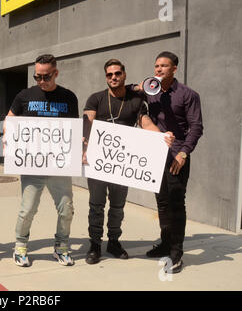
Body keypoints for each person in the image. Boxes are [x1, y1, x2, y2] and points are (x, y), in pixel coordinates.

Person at [82, 59, 174, 265]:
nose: (113, 77)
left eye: (117, 74)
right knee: (96, 205)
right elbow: (87, 123)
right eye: (109, 75)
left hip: (122, 164)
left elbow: (146, 123)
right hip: (98, 161)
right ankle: (95, 245)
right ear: (106, 77)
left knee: (117, 206)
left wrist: (162, 137)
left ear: (124, 75)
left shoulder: (135, 102)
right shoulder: (96, 98)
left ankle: (114, 242)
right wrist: (84, 149)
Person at [7, 54, 79, 267]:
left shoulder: (68, 97)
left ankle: (62, 247)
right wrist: (7, 132)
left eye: (46, 77)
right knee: (27, 209)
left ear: (56, 73)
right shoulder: (24, 95)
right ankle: (20, 246)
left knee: (66, 209)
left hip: (59, 164)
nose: (41, 81)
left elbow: (72, 130)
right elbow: (10, 118)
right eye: (37, 76)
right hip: (32, 164)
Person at [137, 51, 203, 273]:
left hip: (176, 156)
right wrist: (138, 87)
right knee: (162, 203)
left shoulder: (188, 94)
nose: (159, 70)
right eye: (156, 66)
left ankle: (176, 254)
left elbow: (196, 127)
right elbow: (126, 93)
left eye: (164, 66)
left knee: (176, 204)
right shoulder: (150, 90)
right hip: (155, 155)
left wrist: (184, 153)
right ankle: (165, 243)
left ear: (174, 68)